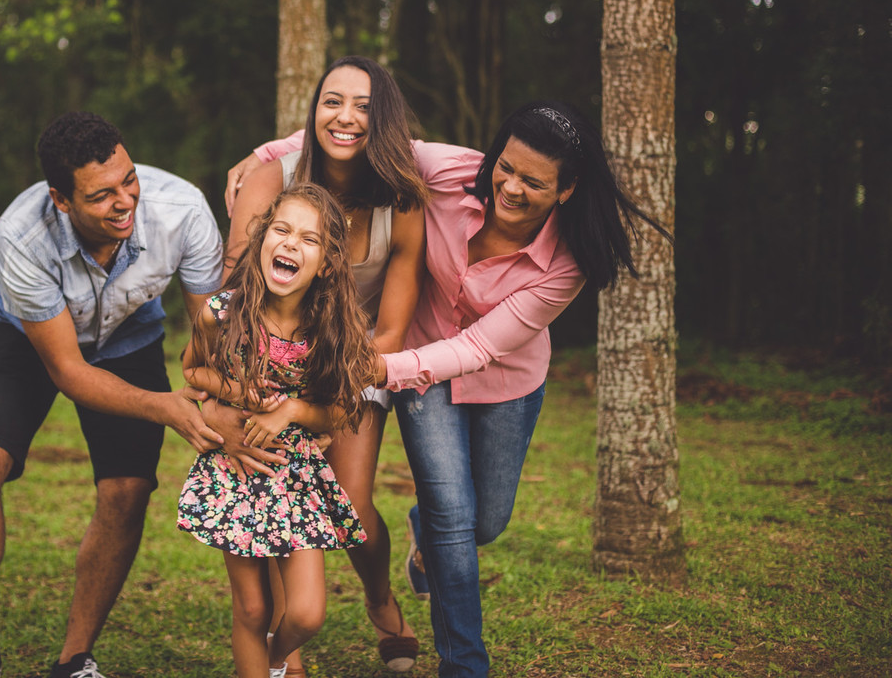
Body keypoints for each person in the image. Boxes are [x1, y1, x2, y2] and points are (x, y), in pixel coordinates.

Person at [230, 101, 671, 677]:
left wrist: (374, 369)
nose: (509, 187)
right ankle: (464, 664)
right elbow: (360, 136)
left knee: (485, 522)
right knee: (454, 517)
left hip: (504, 381)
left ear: (565, 190)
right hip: (423, 368)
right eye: (505, 167)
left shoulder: (568, 262)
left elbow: (477, 349)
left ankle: (425, 533)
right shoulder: (448, 170)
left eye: (533, 182)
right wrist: (265, 155)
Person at [0, 112, 227, 678]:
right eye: (101, 195)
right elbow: (67, 369)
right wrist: (164, 407)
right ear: (61, 200)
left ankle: (75, 659)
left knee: (128, 490)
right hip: (27, 338)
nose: (125, 201)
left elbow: (212, 334)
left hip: (131, 334)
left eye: (129, 180)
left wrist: (221, 398)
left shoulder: (183, 210)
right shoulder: (21, 236)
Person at [224, 55, 429, 674]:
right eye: (332, 101)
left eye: (364, 106)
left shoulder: (403, 200)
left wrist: (320, 400)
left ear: (383, 119)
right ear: (313, 110)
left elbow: (389, 331)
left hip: (356, 359)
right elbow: (236, 292)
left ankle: (380, 599)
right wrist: (263, 392)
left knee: (351, 502)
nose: (345, 117)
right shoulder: (271, 178)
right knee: (274, 485)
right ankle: (284, 649)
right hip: (267, 356)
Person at [177, 183, 379, 678]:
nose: (291, 243)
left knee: (306, 614)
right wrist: (240, 392)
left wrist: (289, 410)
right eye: (282, 230)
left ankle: (273, 658)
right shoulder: (222, 313)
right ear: (263, 238)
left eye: (309, 239)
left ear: (327, 264)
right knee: (252, 608)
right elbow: (192, 370)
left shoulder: (333, 329)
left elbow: (338, 413)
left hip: (297, 476)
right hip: (238, 467)